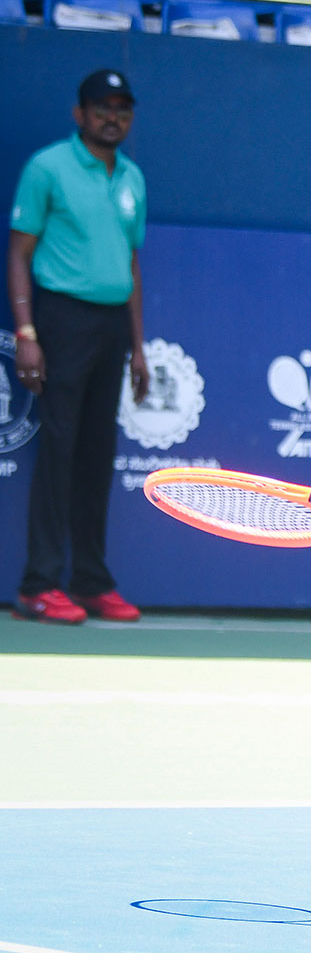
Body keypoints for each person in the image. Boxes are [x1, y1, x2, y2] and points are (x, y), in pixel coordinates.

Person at [8, 68, 150, 624]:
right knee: (59, 453)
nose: (112, 116)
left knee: (96, 458)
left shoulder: (133, 177)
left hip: (114, 324)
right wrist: (27, 333)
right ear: (79, 114)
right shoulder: (48, 167)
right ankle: (39, 585)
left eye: (122, 108)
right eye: (101, 107)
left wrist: (137, 346)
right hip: (61, 318)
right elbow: (19, 253)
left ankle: (91, 581)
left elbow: (132, 263)